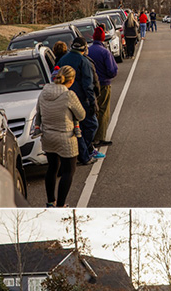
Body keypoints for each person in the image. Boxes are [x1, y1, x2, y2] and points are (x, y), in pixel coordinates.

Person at [33, 65, 86, 207]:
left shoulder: (44, 92)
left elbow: (39, 111)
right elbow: (81, 115)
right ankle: (61, 205)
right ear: (71, 80)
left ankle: (50, 201)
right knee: (69, 170)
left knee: (52, 167)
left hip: (48, 137)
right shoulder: (69, 95)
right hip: (66, 137)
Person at [57, 38, 99, 166]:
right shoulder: (83, 61)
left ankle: (82, 152)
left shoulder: (63, 59)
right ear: (84, 48)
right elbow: (88, 85)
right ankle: (83, 152)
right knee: (91, 125)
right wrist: (93, 102)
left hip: (63, 98)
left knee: (76, 126)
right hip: (80, 100)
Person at [88, 25, 118, 148]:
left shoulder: (88, 51)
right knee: (103, 110)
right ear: (102, 38)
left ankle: (92, 136)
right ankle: (100, 137)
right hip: (104, 84)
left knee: (92, 110)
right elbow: (112, 70)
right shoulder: (105, 52)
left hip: (90, 85)